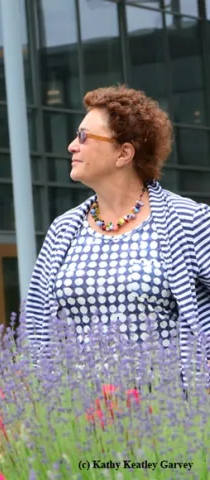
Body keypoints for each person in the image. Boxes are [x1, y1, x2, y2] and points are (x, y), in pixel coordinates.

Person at [25, 85, 210, 373]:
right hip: (77, 412)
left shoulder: (189, 222)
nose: (72, 145)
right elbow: (37, 326)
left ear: (124, 153)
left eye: (84, 137)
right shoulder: (63, 231)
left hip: (167, 408)